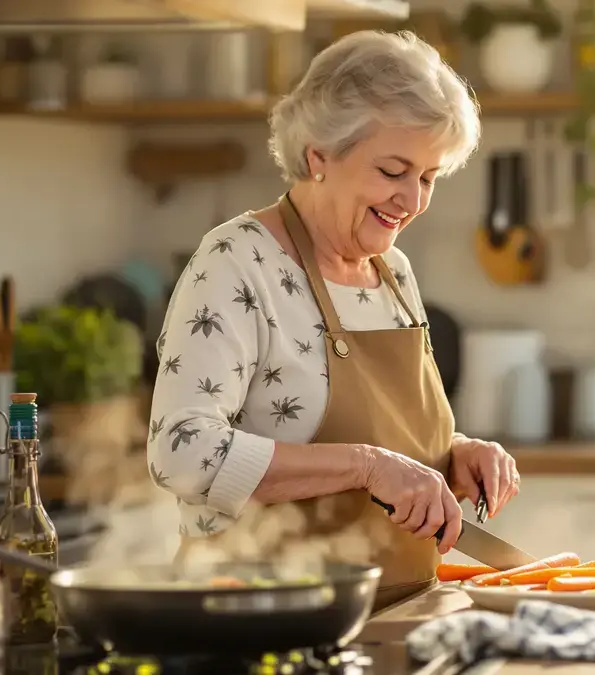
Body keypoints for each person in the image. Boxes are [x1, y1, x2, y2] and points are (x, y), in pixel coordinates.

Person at [145, 30, 520, 608]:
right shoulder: (236, 262)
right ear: (319, 156)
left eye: (428, 178)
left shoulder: (392, 269)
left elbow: (385, 441)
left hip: (397, 609)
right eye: (393, 171)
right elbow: (181, 451)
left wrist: (453, 455)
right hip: (259, 622)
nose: (413, 201)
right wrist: (367, 467)